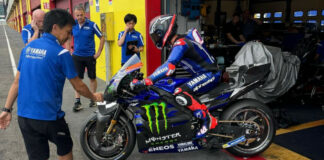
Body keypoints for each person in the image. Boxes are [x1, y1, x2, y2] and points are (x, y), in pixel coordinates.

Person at [0, 9, 103, 160]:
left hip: (24, 117)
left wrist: (6, 109)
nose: (69, 37)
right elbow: (79, 86)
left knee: (37, 156)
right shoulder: (61, 54)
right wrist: (93, 96)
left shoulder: (28, 48)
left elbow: (17, 82)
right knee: (65, 148)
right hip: (49, 117)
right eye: (68, 32)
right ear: (55, 27)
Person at [131, 14, 218, 138]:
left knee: (180, 92)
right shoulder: (178, 43)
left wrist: (147, 80)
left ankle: (207, 119)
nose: (155, 39)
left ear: (164, 31)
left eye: (156, 35)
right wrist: (153, 78)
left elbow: (168, 67)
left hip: (210, 74)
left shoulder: (181, 43)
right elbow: (168, 68)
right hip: (201, 74)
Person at [69, 5, 105, 112]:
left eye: (81, 15)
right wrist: (69, 50)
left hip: (90, 56)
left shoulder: (92, 25)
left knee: (92, 78)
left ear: (85, 14)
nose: (79, 17)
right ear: (75, 15)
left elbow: (102, 37)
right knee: (77, 79)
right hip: (77, 56)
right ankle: (77, 101)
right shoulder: (73, 25)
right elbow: (68, 37)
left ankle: (93, 99)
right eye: (77, 15)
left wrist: (98, 52)